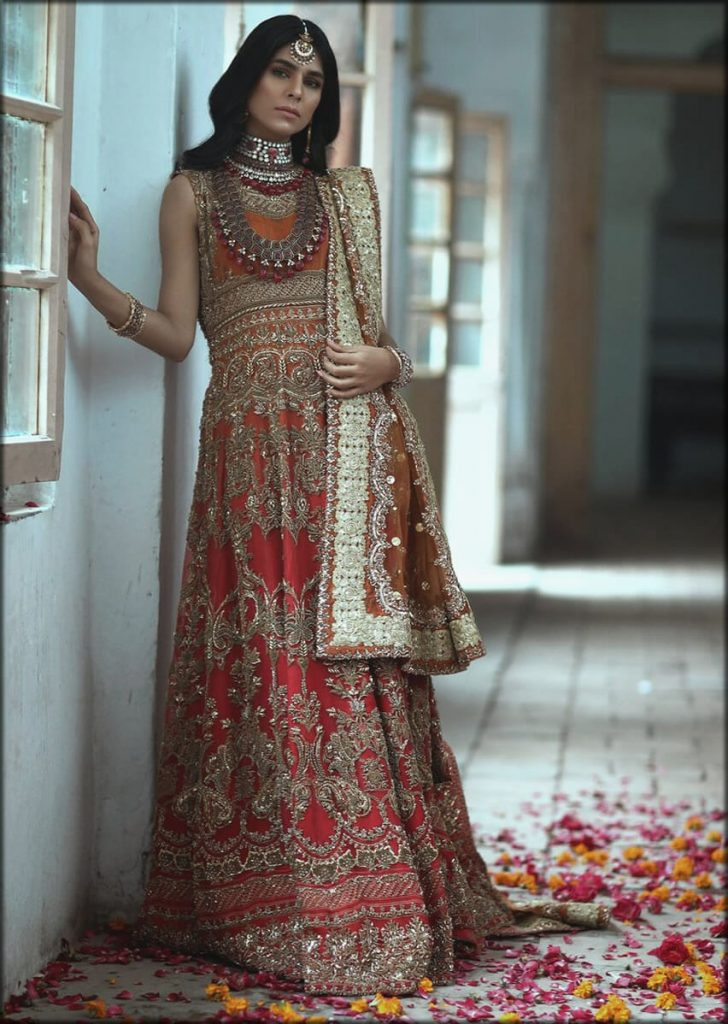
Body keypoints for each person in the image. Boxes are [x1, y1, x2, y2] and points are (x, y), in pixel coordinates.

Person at [68, 14, 608, 997]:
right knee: (260, 672)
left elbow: (385, 344)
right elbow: (177, 333)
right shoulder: (190, 195)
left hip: (336, 467)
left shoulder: (341, 201)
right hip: (243, 468)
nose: (295, 93)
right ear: (244, 79)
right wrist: (86, 275)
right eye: (280, 72)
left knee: (338, 671)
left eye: (312, 82)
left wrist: (384, 362)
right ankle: (259, 905)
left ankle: (368, 899)